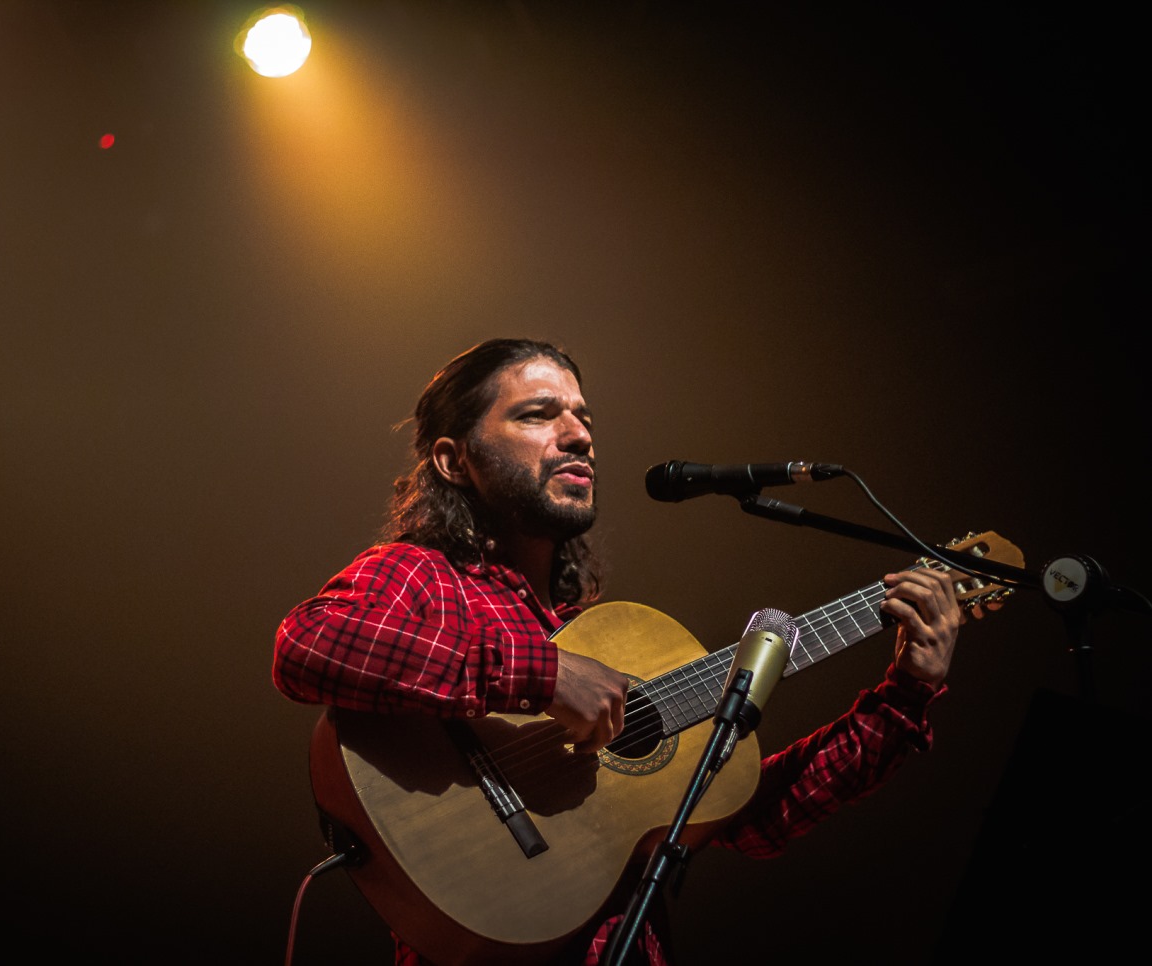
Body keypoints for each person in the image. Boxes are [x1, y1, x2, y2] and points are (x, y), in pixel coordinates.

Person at [272, 338, 963, 965]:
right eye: (540, 415)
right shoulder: (427, 576)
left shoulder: (602, 640)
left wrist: (904, 694)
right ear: (456, 461)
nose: (579, 437)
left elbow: (754, 819)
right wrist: (541, 677)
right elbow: (309, 646)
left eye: (585, 420)